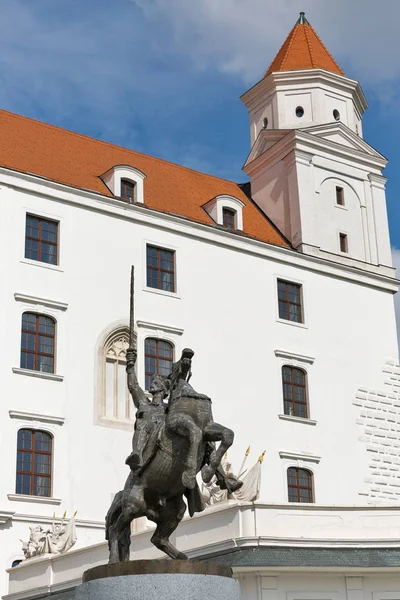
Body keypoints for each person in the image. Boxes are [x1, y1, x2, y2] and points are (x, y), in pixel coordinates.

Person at [125, 347, 168, 471]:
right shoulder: (144, 403)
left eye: (156, 383)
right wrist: (130, 368)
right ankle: (137, 454)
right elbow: (133, 387)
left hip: (163, 441)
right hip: (147, 436)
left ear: (163, 390)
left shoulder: (167, 409)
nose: (152, 383)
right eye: (153, 381)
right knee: (143, 422)